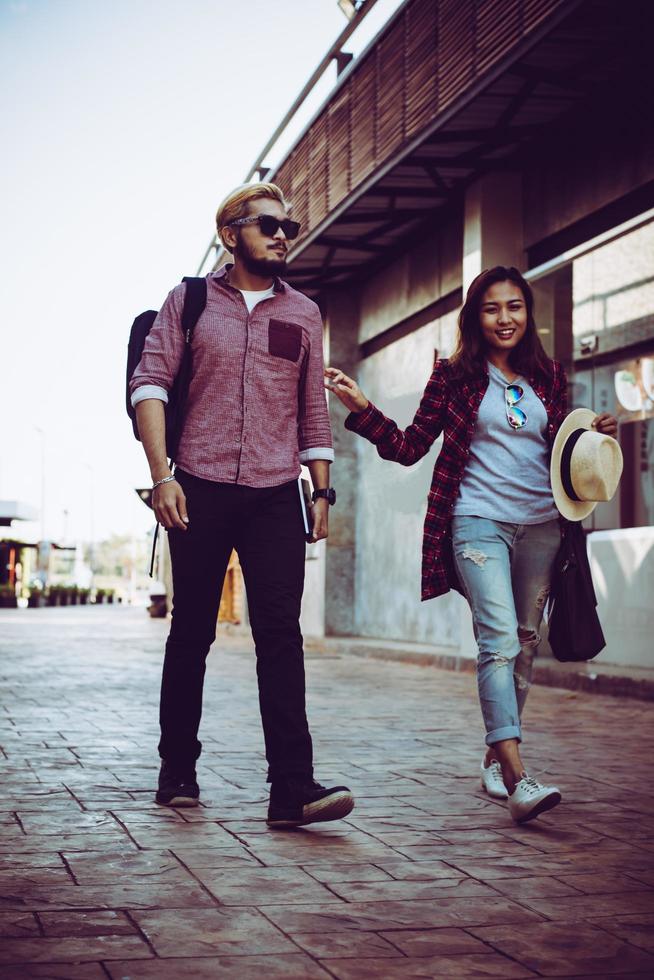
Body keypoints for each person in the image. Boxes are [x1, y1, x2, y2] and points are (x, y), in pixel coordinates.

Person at [325, 266, 617, 824]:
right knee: (499, 638)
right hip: (476, 522)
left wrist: (589, 439)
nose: (504, 318)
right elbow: (410, 447)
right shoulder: (453, 377)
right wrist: (362, 408)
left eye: (514, 307)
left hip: (542, 526)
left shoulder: (549, 377)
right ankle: (516, 777)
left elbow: (560, 453)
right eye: (491, 308)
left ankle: (492, 758)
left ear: (527, 314)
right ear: (474, 317)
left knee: (526, 642)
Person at [130, 182, 354, 827]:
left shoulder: (304, 313)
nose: (282, 234)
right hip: (196, 487)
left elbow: (313, 407)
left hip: (274, 495)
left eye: (288, 225)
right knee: (192, 631)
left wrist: (322, 487)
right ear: (231, 235)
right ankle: (177, 770)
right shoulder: (190, 302)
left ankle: (292, 788)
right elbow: (151, 384)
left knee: (281, 637)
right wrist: (160, 476)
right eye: (267, 224)